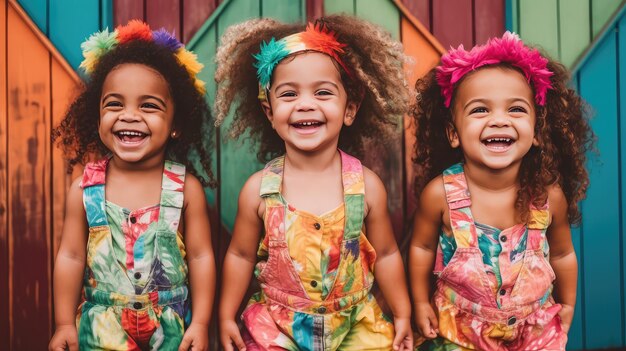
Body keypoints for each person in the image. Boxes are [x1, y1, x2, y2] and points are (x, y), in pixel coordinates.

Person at [215, 15, 413, 351]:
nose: (306, 104)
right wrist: (225, 314)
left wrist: (403, 311)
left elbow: (389, 253)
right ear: (269, 111)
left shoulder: (366, 186)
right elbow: (241, 254)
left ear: (349, 108)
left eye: (323, 93)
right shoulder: (259, 191)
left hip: (354, 323)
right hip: (279, 325)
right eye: (289, 94)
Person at [409, 32, 594, 350]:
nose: (498, 121)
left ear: (536, 132)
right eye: (480, 110)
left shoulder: (549, 198)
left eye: (516, 110)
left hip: (535, 333)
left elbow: (563, 253)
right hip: (459, 334)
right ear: (454, 133)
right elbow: (421, 250)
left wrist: (568, 303)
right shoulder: (439, 195)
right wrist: (420, 302)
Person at [48, 20, 216, 351]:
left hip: (169, 330)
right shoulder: (85, 188)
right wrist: (64, 323)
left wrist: (201, 322)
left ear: (176, 125)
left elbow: (200, 257)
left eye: (148, 106)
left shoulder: (185, 189)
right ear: (97, 121)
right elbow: (69, 257)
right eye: (115, 104)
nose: (129, 116)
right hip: (100, 330)